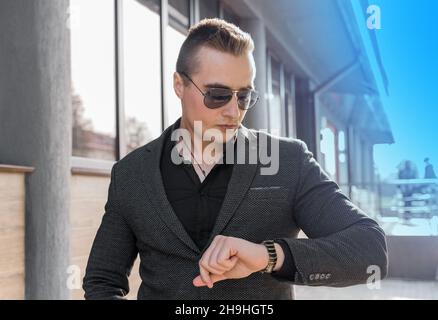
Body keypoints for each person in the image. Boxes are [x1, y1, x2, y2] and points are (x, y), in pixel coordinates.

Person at [83, 18, 387, 300]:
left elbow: (370, 249)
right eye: (217, 94)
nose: (234, 111)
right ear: (179, 85)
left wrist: (269, 256)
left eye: (244, 96)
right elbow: (102, 280)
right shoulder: (131, 173)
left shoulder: (288, 161)